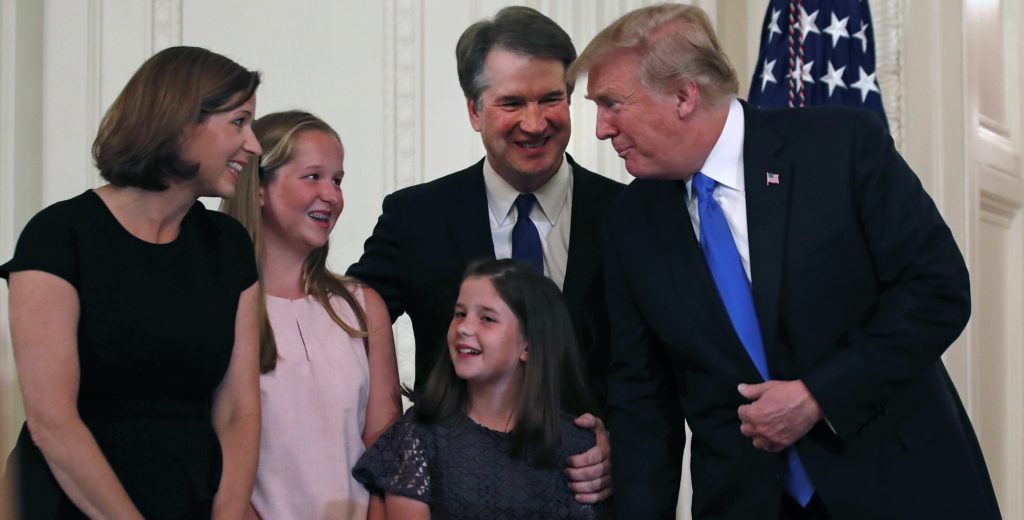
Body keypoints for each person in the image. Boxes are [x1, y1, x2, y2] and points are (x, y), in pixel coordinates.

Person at [569, 4, 1001, 520]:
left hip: (899, 485)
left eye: (612, 104)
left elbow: (938, 289)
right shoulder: (630, 224)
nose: (598, 129)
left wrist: (820, 395)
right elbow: (642, 402)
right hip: (745, 503)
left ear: (684, 95)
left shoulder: (839, 147)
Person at [347, 6, 620, 502]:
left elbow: (659, 370)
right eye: (512, 103)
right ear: (474, 110)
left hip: (588, 496)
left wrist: (618, 446)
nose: (535, 124)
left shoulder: (625, 216)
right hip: (453, 498)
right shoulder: (416, 217)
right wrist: (388, 428)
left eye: (551, 99)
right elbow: (351, 319)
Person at [1, 46, 262, 518]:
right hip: (70, 503)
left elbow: (238, 412)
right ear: (180, 120)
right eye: (239, 122)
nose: (255, 145)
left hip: (188, 498)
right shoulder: (59, 235)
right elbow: (52, 422)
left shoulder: (229, 244)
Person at [220, 110, 402, 520]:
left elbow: (387, 447)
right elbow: (210, 448)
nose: (332, 195)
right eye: (313, 176)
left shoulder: (362, 306)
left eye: (337, 180)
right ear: (259, 188)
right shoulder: (220, 305)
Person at [353, 259, 613, 519]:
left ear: (529, 345)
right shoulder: (419, 438)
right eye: (460, 314)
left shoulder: (579, 446)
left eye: (487, 318)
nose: (464, 327)